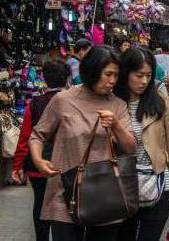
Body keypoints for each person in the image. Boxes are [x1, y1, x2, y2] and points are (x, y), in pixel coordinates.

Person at [30, 46, 136, 241]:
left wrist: (116, 126)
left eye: (116, 75)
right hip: (65, 194)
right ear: (92, 71)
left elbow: (131, 148)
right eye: (108, 74)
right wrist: (38, 160)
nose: (113, 81)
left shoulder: (117, 105)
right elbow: (38, 135)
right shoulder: (63, 100)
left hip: (105, 195)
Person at [114, 48, 169, 241]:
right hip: (123, 185)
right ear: (125, 73)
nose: (144, 81)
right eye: (139, 75)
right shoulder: (114, 102)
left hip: (159, 183)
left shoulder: (159, 99)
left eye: (148, 76)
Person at [12, 60, 69, 241]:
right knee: (66, 206)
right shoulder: (74, 101)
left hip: (39, 165)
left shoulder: (35, 103)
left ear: (44, 79)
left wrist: (17, 165)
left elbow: (26, 137)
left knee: (40, 205)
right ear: (67, 77)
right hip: (66, 166)